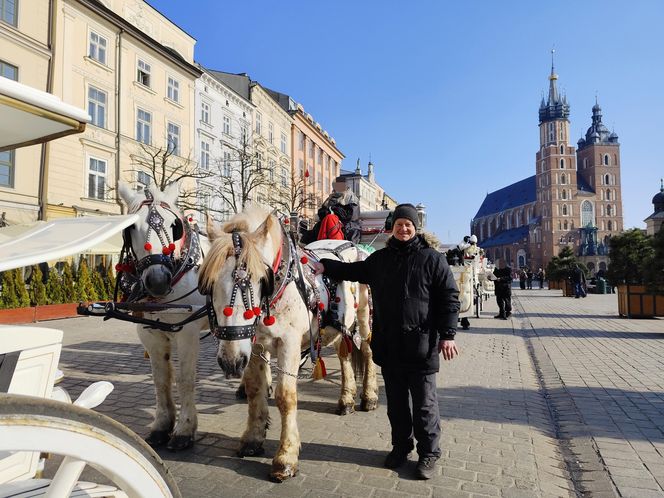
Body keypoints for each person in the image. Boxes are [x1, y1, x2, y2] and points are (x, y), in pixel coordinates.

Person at [311, 203, 460, 480]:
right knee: (397, 406)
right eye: (399, 224)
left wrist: (448, 335)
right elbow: (353, 271)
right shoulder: (380, 260)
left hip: (422, 346)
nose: (404, 229)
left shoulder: (432, 259)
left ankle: (428, 454)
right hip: (390, 346)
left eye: (409, 225)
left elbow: (449, 299)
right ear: (392, 228)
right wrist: (324, 265)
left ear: (416, 229)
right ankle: (400, 448)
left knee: (425, 405)